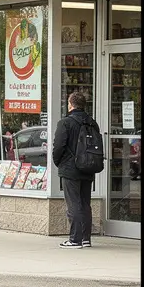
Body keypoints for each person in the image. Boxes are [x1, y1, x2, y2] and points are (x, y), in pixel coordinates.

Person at [52, 91, 98, 248]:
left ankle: (75, 239)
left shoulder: (65, 123)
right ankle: (85, 238)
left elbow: (58, 146)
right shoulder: (92, 122)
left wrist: (59, 162)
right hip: (89, 167)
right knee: (85, 203)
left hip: (70, 168)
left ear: (70, 104)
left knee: (73, 204)